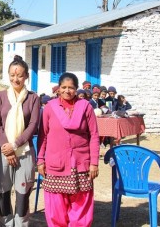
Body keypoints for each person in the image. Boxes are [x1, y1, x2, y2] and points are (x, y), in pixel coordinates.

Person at [37, 72, 100, 226]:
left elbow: (94, 135)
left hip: (81, 164)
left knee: (81, 205)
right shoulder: (50, 108)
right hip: (55, 164)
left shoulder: (85, 107)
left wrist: (94, 163)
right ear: (58, 89)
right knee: (56, 208)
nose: (67, 91)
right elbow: (43, 136)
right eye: (63, 87)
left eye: (71, 87)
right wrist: (40, 160)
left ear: (77, 89)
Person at [0, 55, 40, 227]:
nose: (15, 78)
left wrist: (15, 145)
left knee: (23, 192)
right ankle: (5, 223)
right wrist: (7, 148)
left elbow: (33, 125)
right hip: (2, 151)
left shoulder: (33, 98)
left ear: (26, 76)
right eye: (12, 75)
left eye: (19, 75)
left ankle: (21, 223)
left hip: (24, 151)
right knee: (2, 192)